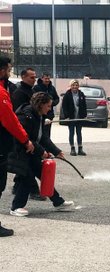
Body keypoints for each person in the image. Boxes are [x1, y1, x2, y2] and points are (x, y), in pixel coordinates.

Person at [8, 92, 74, 217]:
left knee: (44, 175)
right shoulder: (26, 115)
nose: (50, 108)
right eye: (48, 106)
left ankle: (58, 202)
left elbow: (42, 137)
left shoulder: (39, 115)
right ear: (41, 104)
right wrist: (42, 152)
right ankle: (16, 207)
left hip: (31, 153)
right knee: (27, 179)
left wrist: (56, 151)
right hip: (19, 153)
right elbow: (26, 138)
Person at [0, 56, 34, 236]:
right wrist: (25, 139)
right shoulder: (1, 92)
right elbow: (10, 120)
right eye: (7, 69)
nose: (8, 72)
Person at [10, 67, 44, 200]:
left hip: (30, 132)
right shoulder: (19, 93)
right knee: (29, 164)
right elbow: (20, 114)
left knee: (26, 163)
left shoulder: (32, 90)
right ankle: (33, 190)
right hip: (23, 133)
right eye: (31, 77)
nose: (34, 79)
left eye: (35, 76)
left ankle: (17, 186)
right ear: (23, 77)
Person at [61, 79, 87, 156]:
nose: (75, 86)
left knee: (79, 133)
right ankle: (72, 149)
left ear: (78, 86)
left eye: (76, 85)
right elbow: (64, 106)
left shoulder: (81, 94)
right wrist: (67, 116)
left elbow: (84, 105)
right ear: (71, 86)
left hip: (79, 117)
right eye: (73, 85)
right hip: (71, 117)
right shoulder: (67, 94)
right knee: (71, 133)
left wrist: (84, 115)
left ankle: (80, 149)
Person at [33, 72, 59, 138]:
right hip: (40, 113)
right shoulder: (36, 88)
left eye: (48, 78)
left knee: (48, 132)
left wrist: (51, 104)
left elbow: (57, 98)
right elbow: (34, 100)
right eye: (45, 78)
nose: (47, 80)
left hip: (49, 114)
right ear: (42, 78)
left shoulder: (52, 88)